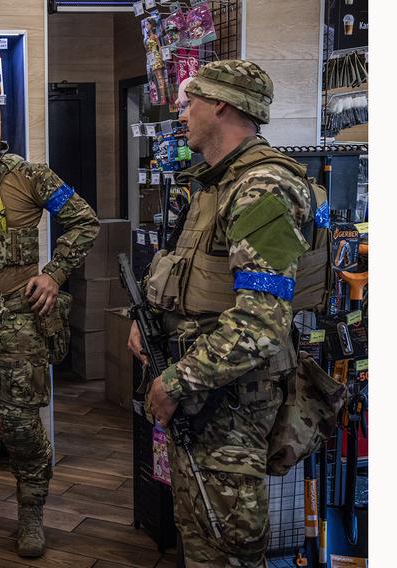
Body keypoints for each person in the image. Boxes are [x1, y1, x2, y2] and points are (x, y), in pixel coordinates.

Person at [127, 60, 325, 567]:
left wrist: (175, 382)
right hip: (204, 397)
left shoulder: (263, 188)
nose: (181, 112)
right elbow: (191, 277)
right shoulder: (215, 184)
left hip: (230, 403)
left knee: (230, 547)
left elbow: (260, 322)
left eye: (190, 101)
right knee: (200, 535)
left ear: (221, 105)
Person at [0, 92, 101, 557]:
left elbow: (84, 222)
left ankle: (32, 512)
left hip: (19, 321)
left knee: (20, 423)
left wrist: (53, 274)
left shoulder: (32, 176)